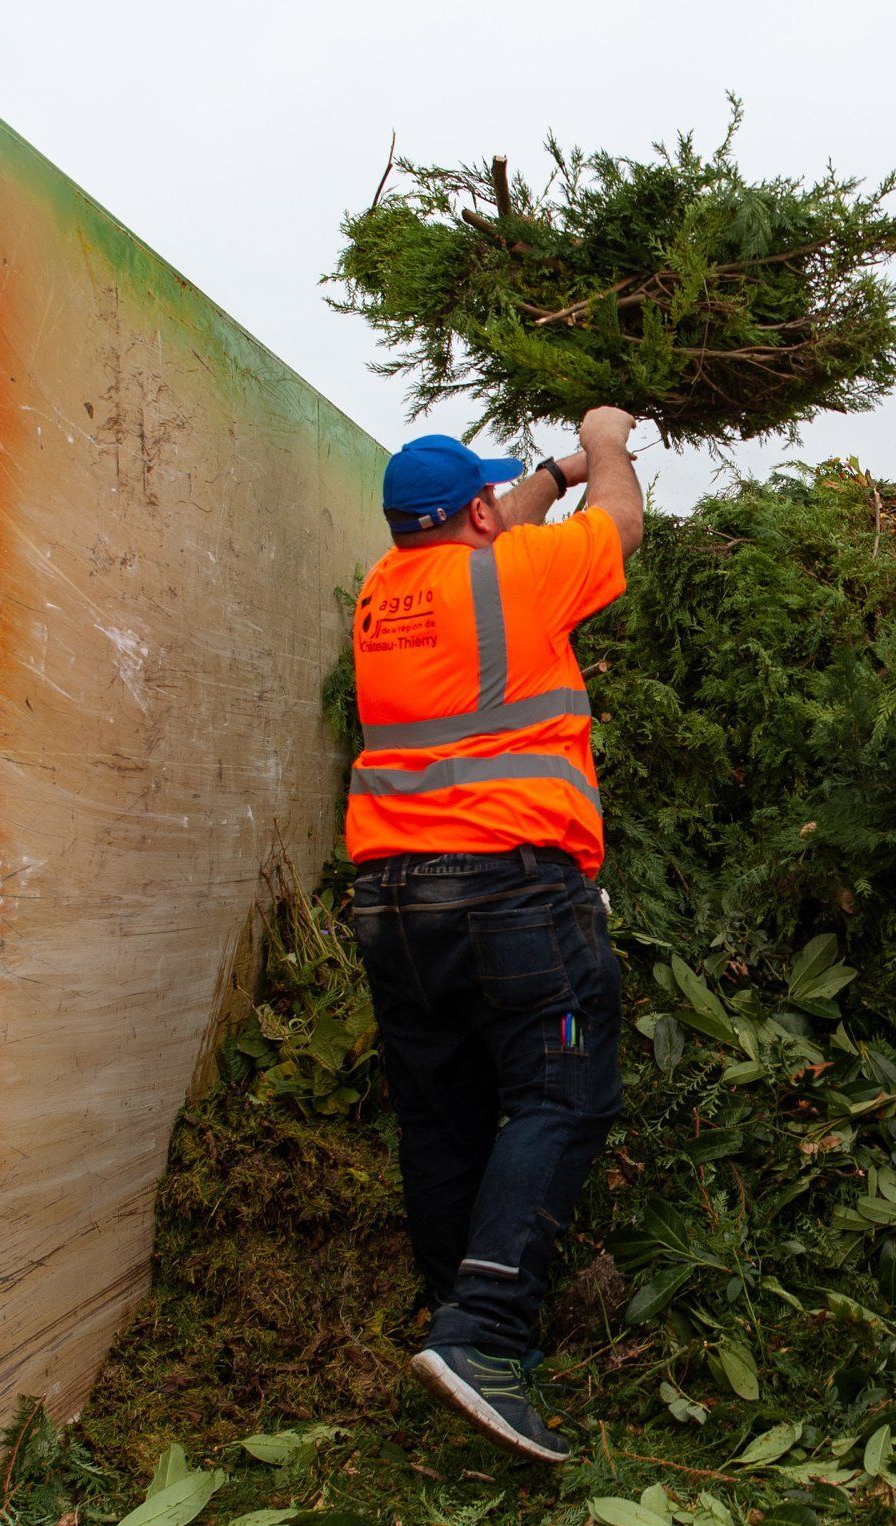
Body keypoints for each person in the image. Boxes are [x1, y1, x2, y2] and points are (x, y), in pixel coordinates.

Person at [346, 407, 643, 1464]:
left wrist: (548, 471)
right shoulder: (517, 575)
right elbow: (621, 522)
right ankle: (485, 1335)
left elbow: (495, 522)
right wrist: (603, 444)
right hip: (511, 899)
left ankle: (452, 1330)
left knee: (442, 1119)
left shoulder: (383, 592)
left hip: (394, 907)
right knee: (564, 1090)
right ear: (476, 513)